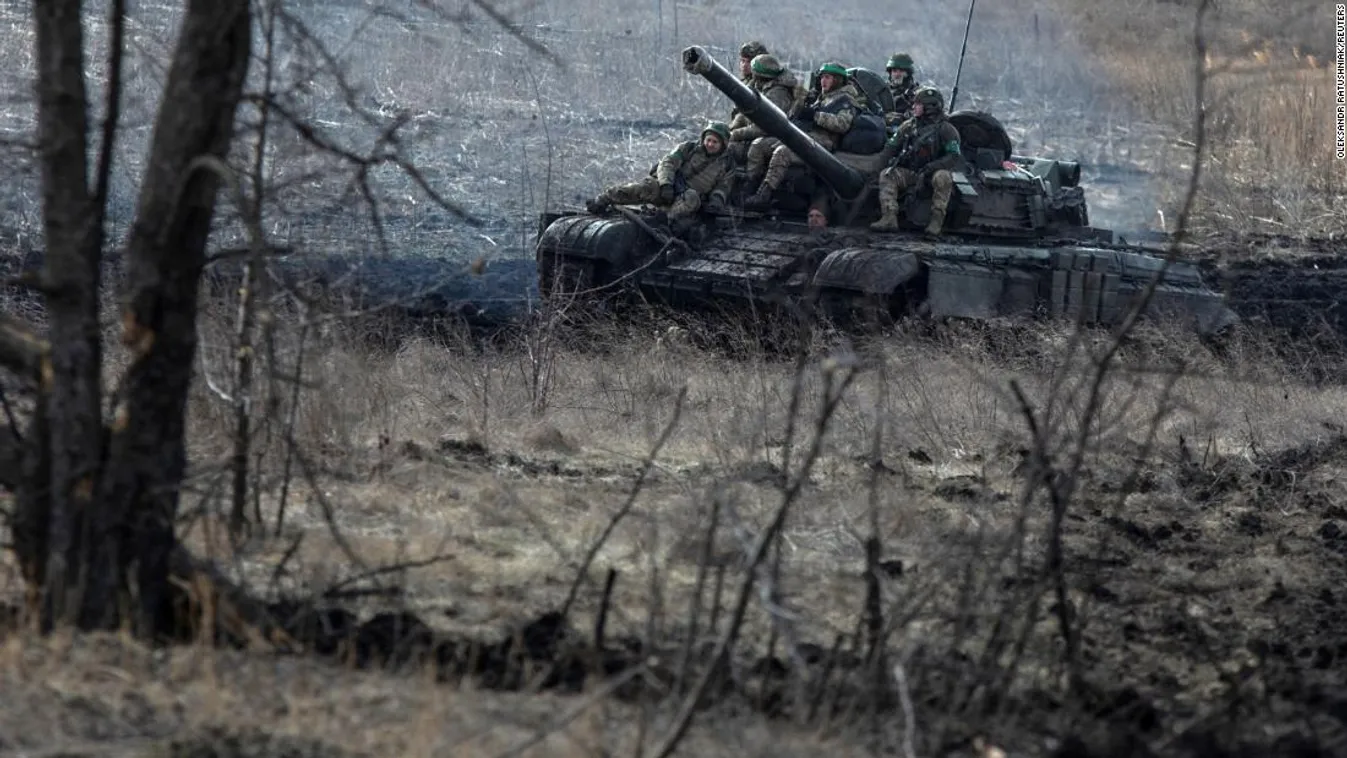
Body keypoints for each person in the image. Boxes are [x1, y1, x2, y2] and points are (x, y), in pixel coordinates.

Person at [743, 62, 861, 208]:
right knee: (758, 145)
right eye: (822, 77)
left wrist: (816, 116)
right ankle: (749, 187)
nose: (823, 81)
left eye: (828, 77)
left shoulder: (846, 100)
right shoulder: (821, 97)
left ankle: (764, 194)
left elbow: (842, 124)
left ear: (838, 80)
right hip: (805, 135)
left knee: (783, 152)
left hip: (823, 142)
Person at [586, 122, 735, 227]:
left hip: (688, 197)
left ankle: (663, 223)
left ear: (723, 144)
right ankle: (604, 199)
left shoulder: (726, 164)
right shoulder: (689, 148)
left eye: (715, 142)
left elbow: (724, 186)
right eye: (708, 140)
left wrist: (717, 199)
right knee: (647, 186)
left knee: (691, 199)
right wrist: (666, 184)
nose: (710, 144)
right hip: (669, 186)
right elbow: (667, 163)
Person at [869, 86, 966, 236]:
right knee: (887, 175)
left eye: (918, 104)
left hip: (932, 174)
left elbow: (953, 155)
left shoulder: (946, 130)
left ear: (930, 107)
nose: (913, 107)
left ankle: (936, 221)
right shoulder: (908, 126)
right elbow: (891, 148)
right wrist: (876, 170)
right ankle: (889, 217)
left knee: (943, 177)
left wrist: (931, 167)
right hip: (912, 172)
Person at [725, 53, 801, 164]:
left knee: (731, 148)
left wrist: (736, 134)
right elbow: (744, 115)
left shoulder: (777, 94)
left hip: (772, 136)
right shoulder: (760, 87)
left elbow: (767, 127)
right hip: (756, 131)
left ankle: (751, 179)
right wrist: (729, 130)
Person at [883, 52, 919, 126]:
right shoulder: (883, 90)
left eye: (901, 71)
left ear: (908, 73)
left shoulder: (916, 92)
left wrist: (903, 117)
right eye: (894, 71)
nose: (897, 74)